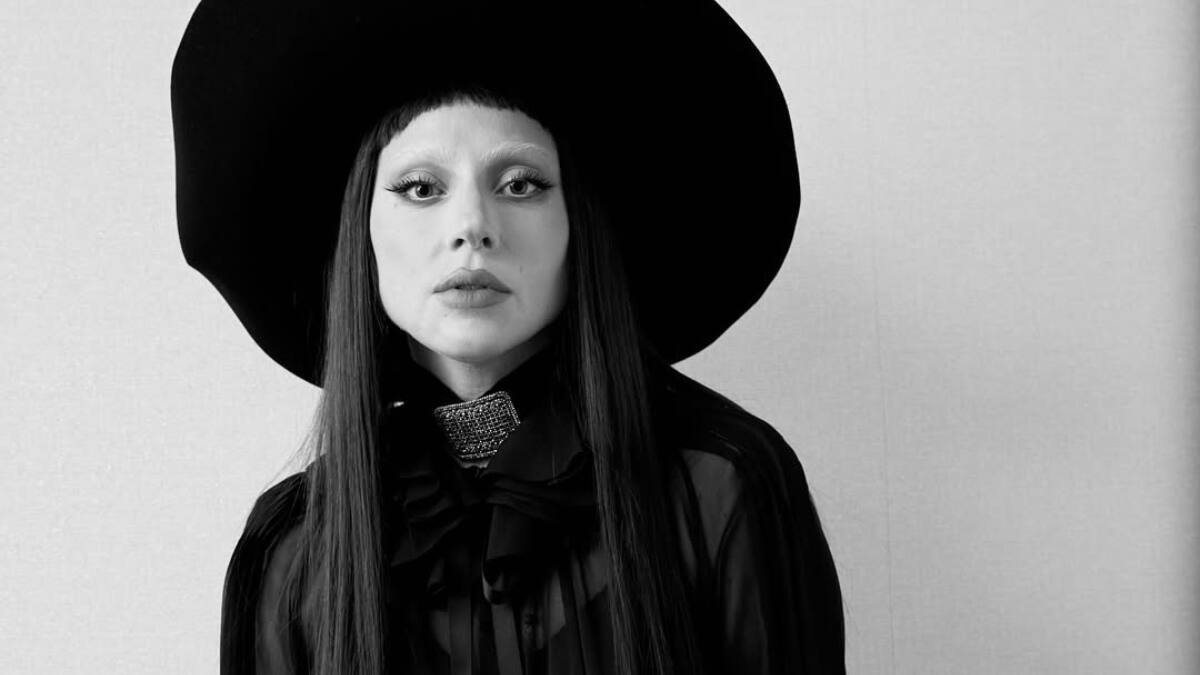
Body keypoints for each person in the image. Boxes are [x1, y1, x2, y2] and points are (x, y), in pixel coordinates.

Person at [171, 0, 845, 673]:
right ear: (361, 234)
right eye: (419, 188)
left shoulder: (719, 487)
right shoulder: (291, 552)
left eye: (520, 184)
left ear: (577, 226)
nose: (472, 224)